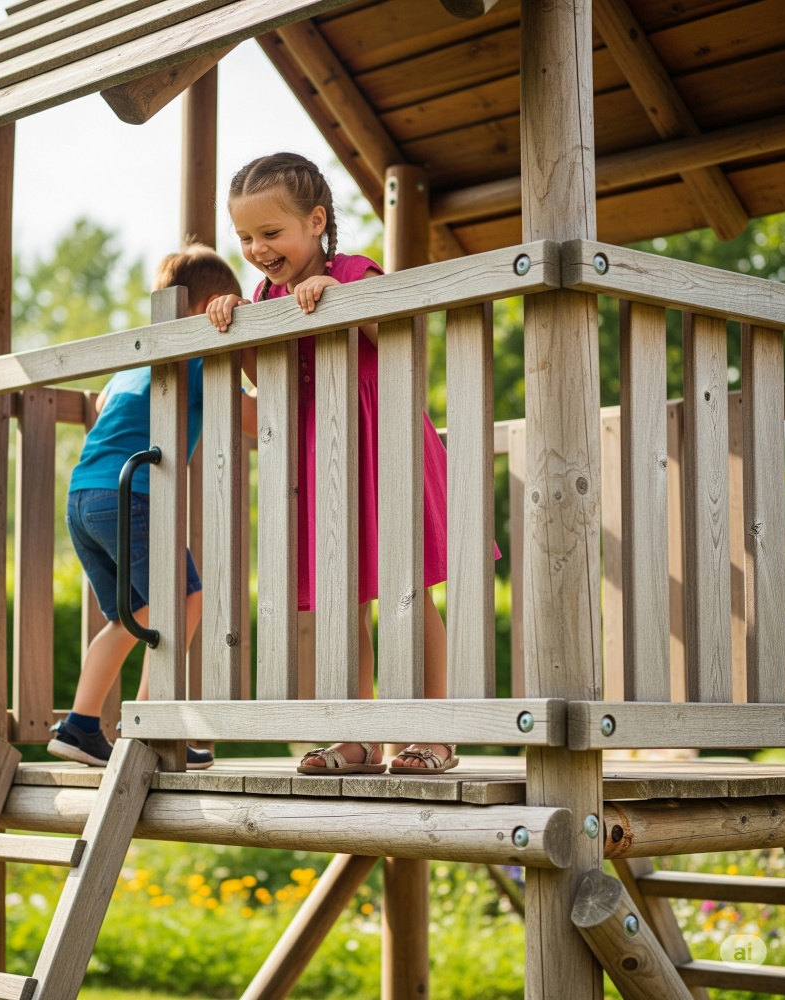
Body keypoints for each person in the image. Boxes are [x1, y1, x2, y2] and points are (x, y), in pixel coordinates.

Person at [208, 152, 497, 775]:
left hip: (380, 447)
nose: (258, 249)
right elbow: (270, 380)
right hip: (323, 464)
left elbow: (394, 333)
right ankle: (358, 736)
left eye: (270, 233)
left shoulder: (354, 270)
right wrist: (238, 330)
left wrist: (340, 297)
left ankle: (433, 731)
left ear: (315, 221)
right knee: (342, 600)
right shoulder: (264, 294)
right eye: (245, 238)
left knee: (407, 590)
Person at [49, 243, 256, 768]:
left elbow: (99, 406)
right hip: (131, 497)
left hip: (84, 498)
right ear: (207, 309)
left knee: (134, 613)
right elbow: (255, 418)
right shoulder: (199, 359)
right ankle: (150, 725)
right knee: (185, 598)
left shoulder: (134, 365)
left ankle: (80, 727)